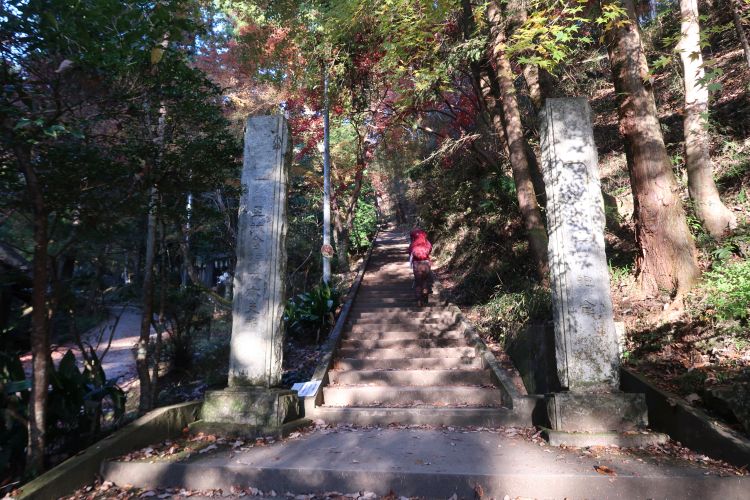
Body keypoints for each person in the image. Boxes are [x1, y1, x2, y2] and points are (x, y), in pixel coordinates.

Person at [408, 228, 433, 306]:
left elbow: (409, 252)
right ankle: (425, 295)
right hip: (426, 263)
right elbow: (430, 249)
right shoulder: (426, 242)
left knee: (418, 283)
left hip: (416, 265)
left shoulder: (413, 243)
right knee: (425, 281)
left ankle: (419, 301)